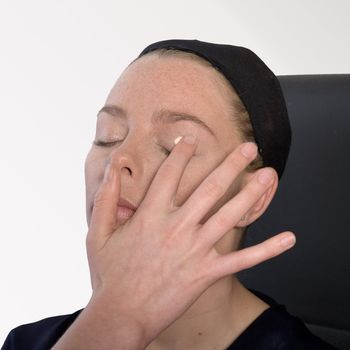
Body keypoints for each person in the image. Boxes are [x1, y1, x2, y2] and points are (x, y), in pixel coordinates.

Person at [2, 39, 337, 350]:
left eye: (176, 145)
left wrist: (120, 317)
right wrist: (114, 318)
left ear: (253, 198)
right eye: (108, 136)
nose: (118, 161)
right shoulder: (29, 343)